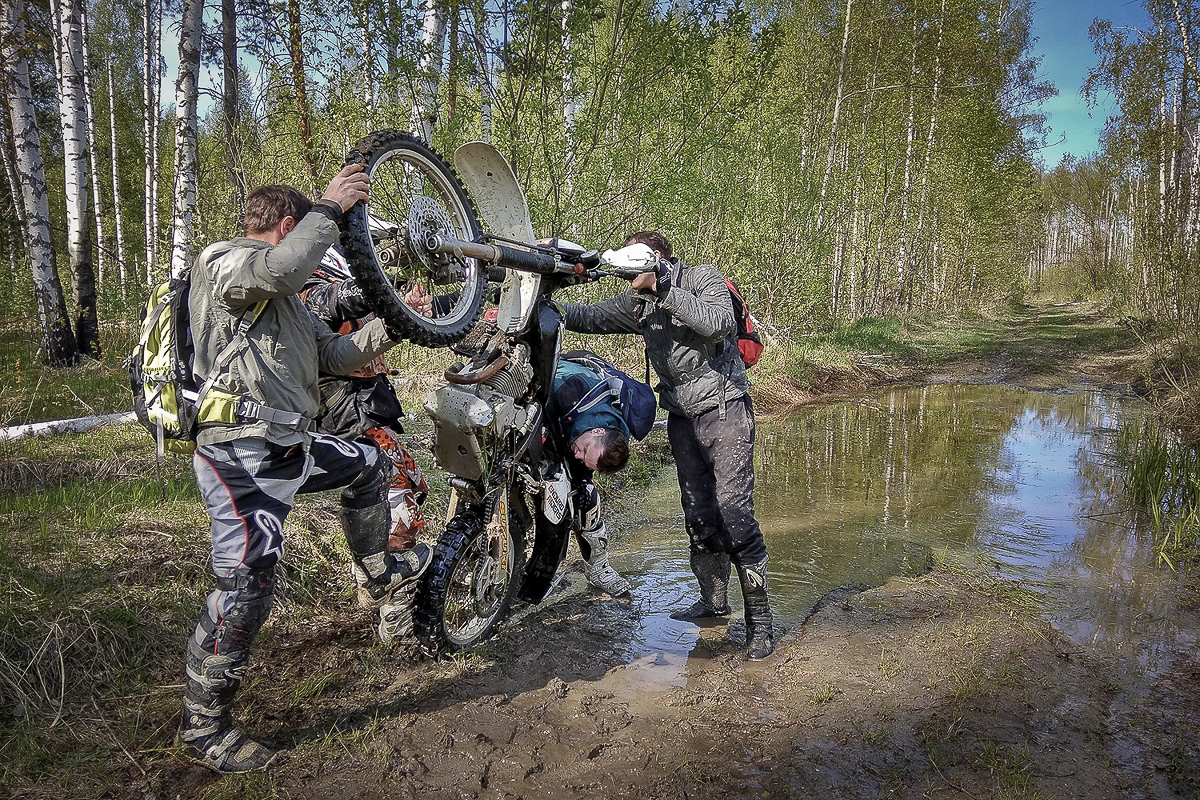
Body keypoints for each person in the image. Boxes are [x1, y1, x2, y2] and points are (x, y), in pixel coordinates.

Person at [177, 166, 432, 773]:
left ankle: (380, 572)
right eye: (311, 231)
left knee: (369, 465)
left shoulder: (285, 301)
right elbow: (289, 266)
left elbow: (336, 355)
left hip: (290, 444)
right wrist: (333, 207)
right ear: (291, 227)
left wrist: (394, 323)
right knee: (247, 587)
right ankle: (204, 727)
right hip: (240, 454)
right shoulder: (224, 264)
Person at [559, 230, 775, 660]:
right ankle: (713, 602)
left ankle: (761, 621)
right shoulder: (637, 305)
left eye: (633, 266)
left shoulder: (700, 279)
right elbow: (586, 316)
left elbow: (719, 324)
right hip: (680, 417)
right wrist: (541, 303)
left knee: (733, 512)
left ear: (654, 259)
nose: (627, 278)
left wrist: (664, 287)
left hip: (725, 408)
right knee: (697, 514)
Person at [300, 245, 432, 642]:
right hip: (347, 414)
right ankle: (393, 609)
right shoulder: (311, 292)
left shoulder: (327, 290)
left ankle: (372, 578)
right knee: (401, 495)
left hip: (362, 408)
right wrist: (383, 287)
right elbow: (340, 298)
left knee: (406, 488)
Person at [546, 358, 634, 596]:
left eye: (585, 460)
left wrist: (582, 476)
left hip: (561, 431)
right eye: (584, 451)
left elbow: (583, 460)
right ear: (598, 431)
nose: (579, 455)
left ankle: (598, 570)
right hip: (537, 414)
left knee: (585, 496)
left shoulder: (599, 439)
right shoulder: (570, 390)